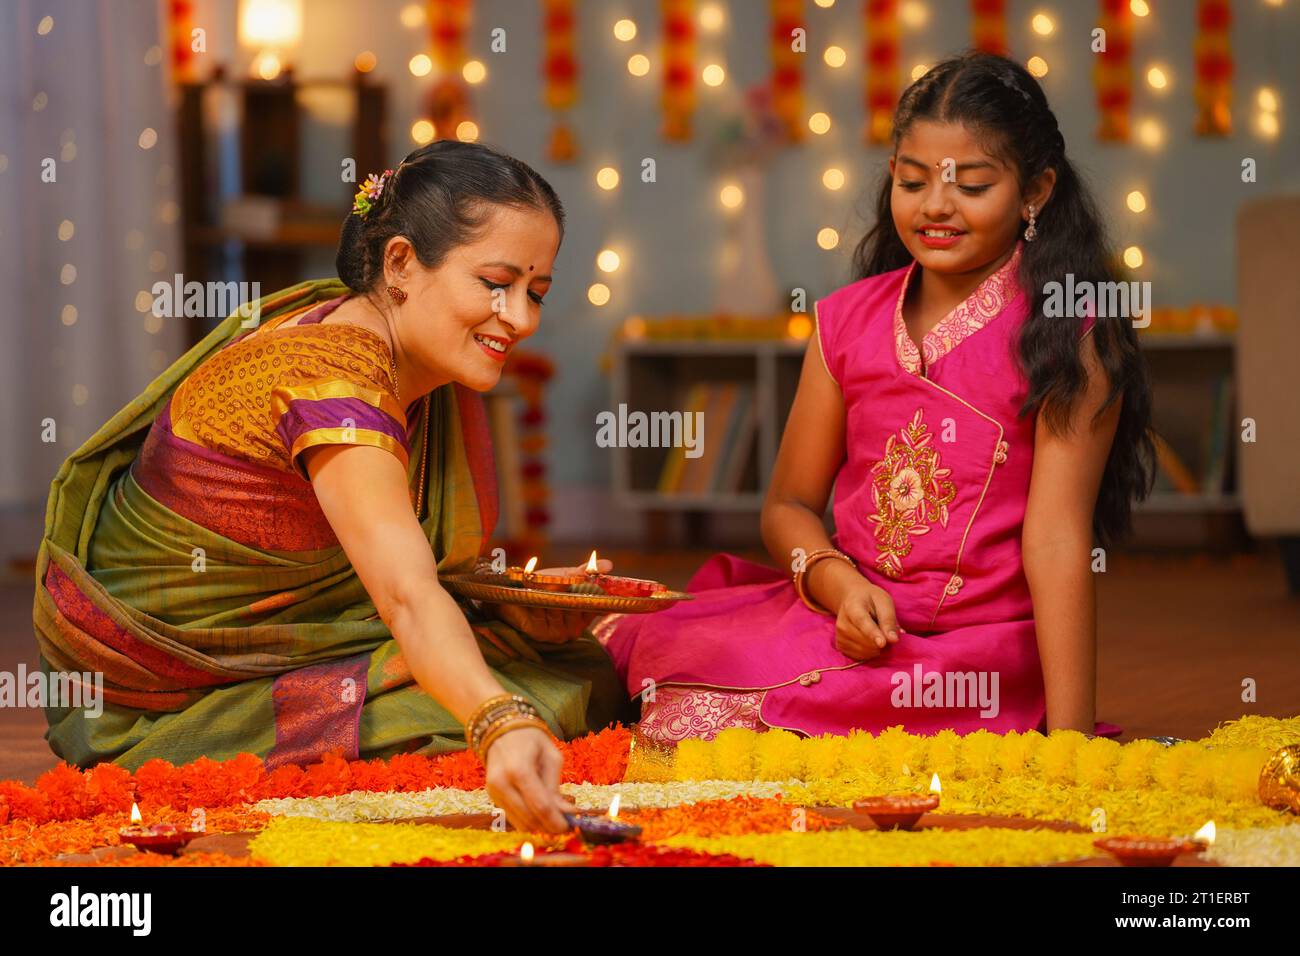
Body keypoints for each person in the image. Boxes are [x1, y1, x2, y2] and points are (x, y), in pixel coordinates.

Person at [33, 140, 636, 833]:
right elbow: (407, 595)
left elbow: (399, 568)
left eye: (535, 293)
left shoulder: (378, 340)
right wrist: (498, 721)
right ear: (402, 263)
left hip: (298, 641)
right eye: (496, 285)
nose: (522, 319)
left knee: (568, 661)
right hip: (164, 698)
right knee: (518, 704)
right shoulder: (335, 379)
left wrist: (509, 604)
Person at [598, 51, 1154, 745]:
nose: (935, 207)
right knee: (659, 650)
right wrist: (837, 586)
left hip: (972, 654)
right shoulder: (844, 320)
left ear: (1035, 191)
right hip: (846, 622)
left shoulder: (1069, 336)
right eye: (913, 181)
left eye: (972, 185)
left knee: (727, 720)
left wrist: (1069, 743)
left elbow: (1056, 540)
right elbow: (788, 507)